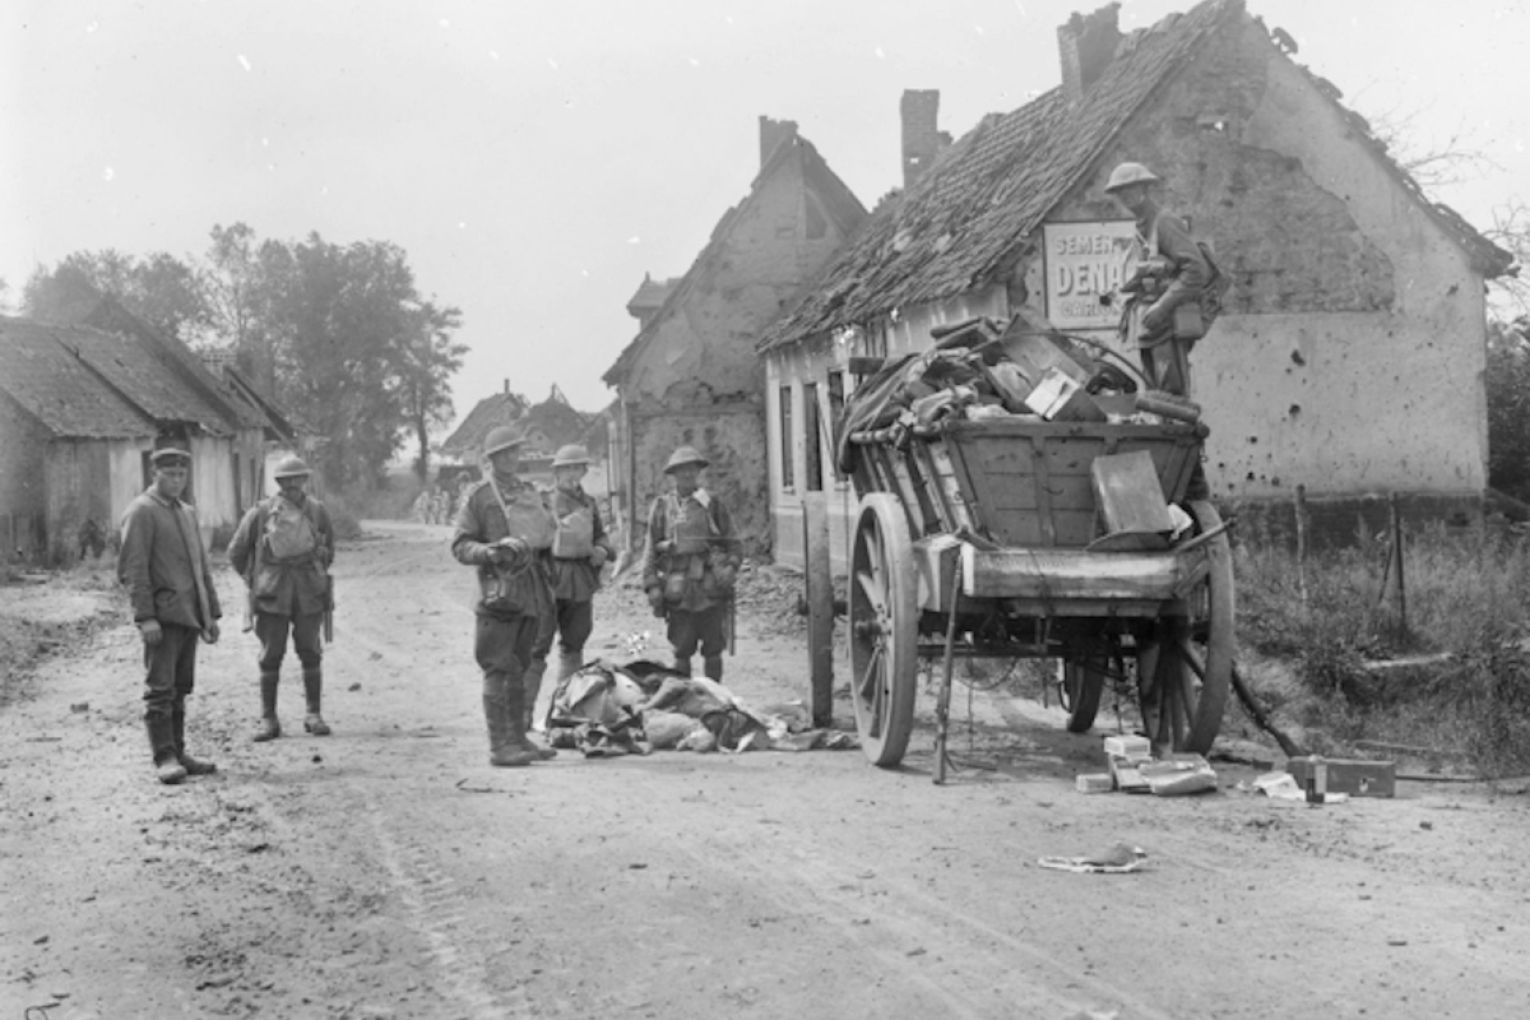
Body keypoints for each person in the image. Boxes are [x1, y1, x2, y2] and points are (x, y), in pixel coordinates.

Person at [451, 425, 558, 767]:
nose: (512, 457)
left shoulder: (530, 492)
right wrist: (491, 551)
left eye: (515, 451)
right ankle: (500, 745)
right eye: (504, 453)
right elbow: (460, 545)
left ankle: (518, 738)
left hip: (529, 591)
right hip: (496, 593)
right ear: (492, 458)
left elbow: (546, 537)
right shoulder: (480, 497)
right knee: (497, 668)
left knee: (520, 665)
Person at [117, 438, 222, 785]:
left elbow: (200, 568)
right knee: (160, 689)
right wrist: (145, 616)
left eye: (181, 474)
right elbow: (134, 569)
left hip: (189, 616)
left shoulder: (186, 512)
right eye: (170, 473)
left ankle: (179, 750)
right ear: (154, 473)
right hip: (161, 619)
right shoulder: (142, 511)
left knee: (181, 687)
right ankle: (164, 757)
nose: (177, 480)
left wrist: (211, 615)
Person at [228, 455, 336, 742]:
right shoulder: (261, 513)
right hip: (272, 596)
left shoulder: (317, 511)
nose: (292, 485)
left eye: (298, 479)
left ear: (305, 480)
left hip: (308, 595)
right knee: (271, 656)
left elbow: (329, 550)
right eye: (287, 480)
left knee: (310, 652)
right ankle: (268, 719)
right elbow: (236, 552)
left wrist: (313, 572)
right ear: (278, 483)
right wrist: (257, 578)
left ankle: (313, 714)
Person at [1104, 161, 1218, 399]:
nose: (1125, 197)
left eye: (1131, 190)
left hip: (1168, 322)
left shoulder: (1165, 222)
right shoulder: (1140, 228)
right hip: (1150, 324)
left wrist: (1162, 306)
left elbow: (1195, 270)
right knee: (1154, 392)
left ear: (1144, 189)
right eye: (1120, 192)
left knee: (1171, 392)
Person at [525, 444, 616, 732]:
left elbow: (602, 536)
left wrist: (602, 550)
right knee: (537, 647)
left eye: (577, 468)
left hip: (580, 580)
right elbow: (530, 539)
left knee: (574, 645)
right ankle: (524, 715)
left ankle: (565, 712)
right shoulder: (543, 502)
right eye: (566, 468)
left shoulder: (589, 503)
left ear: (584, 472)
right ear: (556, 472)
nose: (572, 474)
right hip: (550, 580)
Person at [642, 446, 741, 681]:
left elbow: (734, 543)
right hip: (678, 588)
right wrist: (652, 585)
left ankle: (714, 699)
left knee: (713, 650)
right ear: (673, 475)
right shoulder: (662, 507)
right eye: (681, 471)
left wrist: (730, 568)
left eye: (692, 470)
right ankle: (683, 698)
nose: (687, 475)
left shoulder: (713, 505)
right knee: (681, 650)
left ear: (698, 473)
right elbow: (649, 550)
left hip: (710, 587)